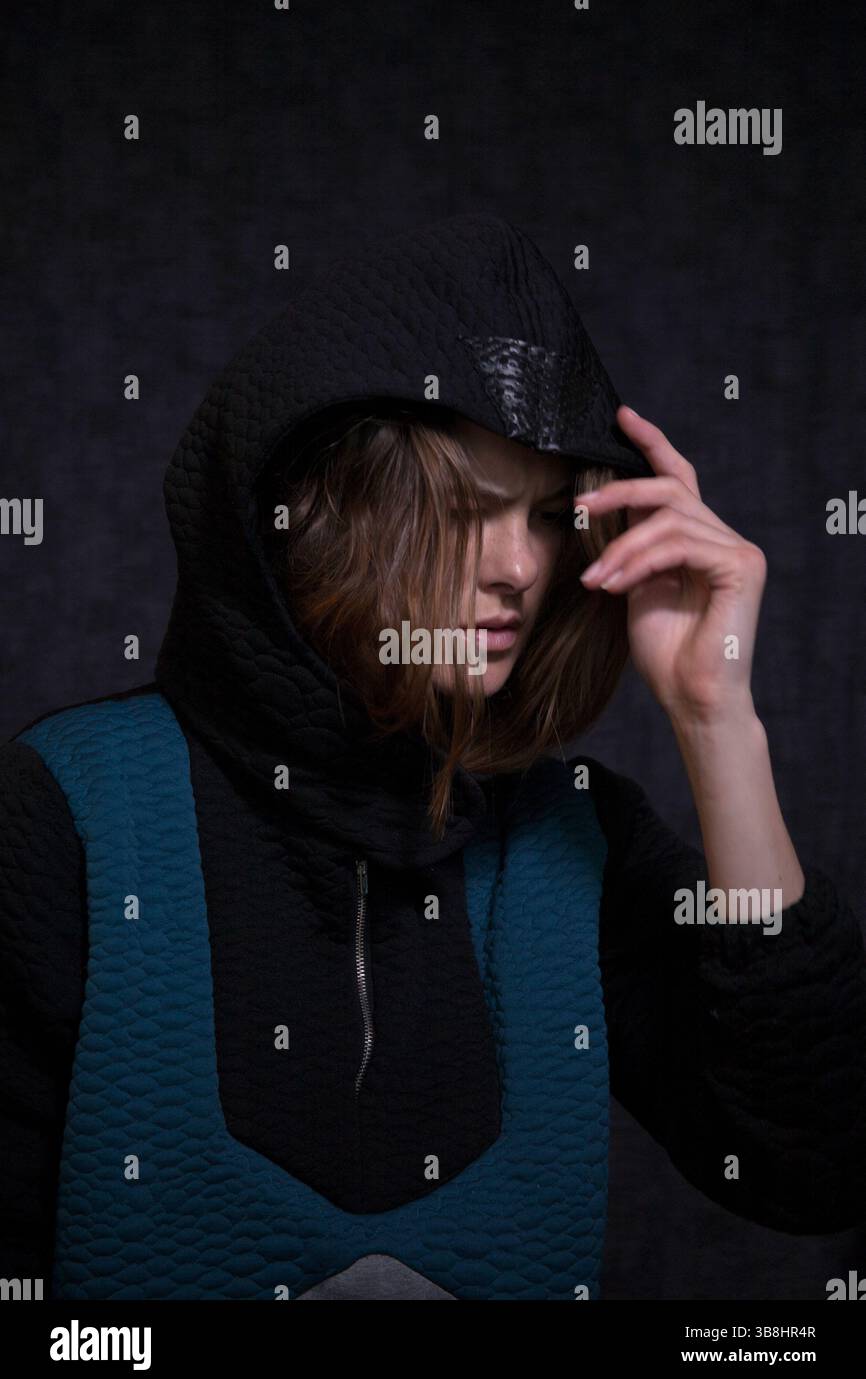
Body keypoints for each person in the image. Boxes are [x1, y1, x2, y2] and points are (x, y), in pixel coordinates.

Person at [1, 212, 864, 1302]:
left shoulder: (570, 838)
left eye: (551, 513)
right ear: (309, 508)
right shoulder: (73, 810)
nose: (518, 566)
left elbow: (815, 1161)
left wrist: (717, 725)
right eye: (464, 507)